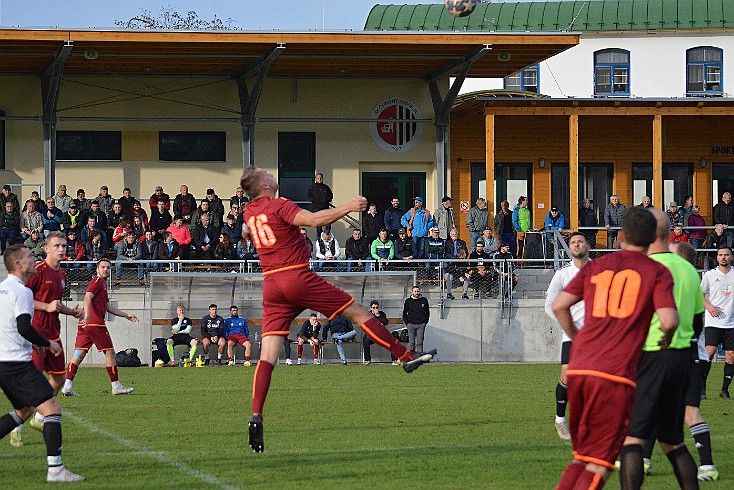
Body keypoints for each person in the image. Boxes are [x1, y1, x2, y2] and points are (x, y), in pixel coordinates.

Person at [240, 166, 434, 453]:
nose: (270, 174)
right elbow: (315, 218)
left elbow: (246, 231)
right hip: (296, 276)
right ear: (263, 184)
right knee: (360, 313)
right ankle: (405, 357)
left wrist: (250, 236)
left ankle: (257, 412)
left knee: (268, 353)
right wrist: (348, 207)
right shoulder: (279, 205)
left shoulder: (249, 212)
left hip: (271, 284)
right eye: (265, 173)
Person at [552, 206, 678, 489]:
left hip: (579, 368)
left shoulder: (596, 266)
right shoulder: (656, 271)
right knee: (602, 461)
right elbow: (669, 320)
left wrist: (577, 337)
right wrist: (665, 339)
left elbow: (560, 305)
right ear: (652, 240)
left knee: (581, 458)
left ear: (619, 237)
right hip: (614, 375)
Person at [618, 208, 701, 490]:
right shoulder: (689, 269)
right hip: (683, 359)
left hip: (650, 355)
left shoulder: (643, 268)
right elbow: (698, 320)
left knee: (631, 439)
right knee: (671, 440)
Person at [0, 245, 85, 482]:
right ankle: (56, 470)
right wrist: (48, 343)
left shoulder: (2, 289)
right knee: (53, 410)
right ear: (18, 264)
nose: (33, 258)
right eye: (29, 256)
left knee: (23, 412)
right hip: (17, 364)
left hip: (4, 362)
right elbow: (24, 327)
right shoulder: (23, 292)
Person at [642, 241, 720, 482]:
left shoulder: (677, 285)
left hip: (680, 356)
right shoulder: (688, 284)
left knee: (673, 411)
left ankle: (643, 460)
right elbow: (697, 322)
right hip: (692, 357)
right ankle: (706, 466)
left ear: (681, 259)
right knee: (683, 412)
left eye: (672, 252)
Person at [10, 231, 82, 446]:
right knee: (32, 386)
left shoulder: (61, 274)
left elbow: (55, 306)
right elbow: (22, 299)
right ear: (47, 248)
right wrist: (45, 306)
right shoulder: (38, 271)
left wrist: (72, 312)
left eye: (64, 245)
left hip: (54, 335)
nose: (62, 249)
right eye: (57, 245)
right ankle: (17, 427)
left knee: (59, 379)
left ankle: (40, 418)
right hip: (36, 336)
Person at [61, 258, 138, 397]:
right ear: (97, 269)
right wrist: (88, 315)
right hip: (94, 324)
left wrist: (126, 315)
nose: (106, 269)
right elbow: (87, 298)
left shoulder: (102, 284)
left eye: (108, 267)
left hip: (85, 326)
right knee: (110, 353)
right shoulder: (96, 282)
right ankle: (116, 386)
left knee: (79, 354)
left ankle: (67, 385)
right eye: (103, 267)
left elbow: (107, 307)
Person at [543, 232, 590, 441]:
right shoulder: (562, 275)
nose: (577, 245)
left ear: (588, 245)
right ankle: (560, 420)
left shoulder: (601, 271)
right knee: (568, 376)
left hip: (596, 336)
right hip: (572, 334)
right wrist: (568, 326)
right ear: (569, 248)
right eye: (573, 242)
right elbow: (550, 305)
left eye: (580, 241)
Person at [700, 245, 734, 401]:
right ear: (717, 257)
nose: (723, 257)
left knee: (731, 356)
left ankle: (724, 390)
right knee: (709, 353)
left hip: (731, 322)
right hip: (714, 321)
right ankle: (702, 389)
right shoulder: (710, 275)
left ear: (731, 257)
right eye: (720, 255)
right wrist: (709, 306)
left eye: (726, 255)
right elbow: (700, 294)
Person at [403, 285, 430, 354]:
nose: (417, 293)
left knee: (420, 342)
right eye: (415, 291)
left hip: (421, 324)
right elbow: (405, 312)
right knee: (412, 343)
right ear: (412, 292)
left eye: (418, 291)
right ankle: (412, 358)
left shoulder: (424, 300)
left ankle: (419, 358)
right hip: (411, 324)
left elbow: (427, 311)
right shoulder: (408, 301)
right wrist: (407, 323)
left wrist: (425, 322)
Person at [444, 228, 469, 300]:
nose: (455, 236)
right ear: (450, 235)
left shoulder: (462, 242)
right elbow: (446, 253)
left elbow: (465, 253)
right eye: (453, 234)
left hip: (460, 264)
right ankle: (449, 294)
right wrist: (453, 258)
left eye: (456, 234)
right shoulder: (447, 243)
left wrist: (460, 257)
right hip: (451, 265)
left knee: (467, 276)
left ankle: (465, 294)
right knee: (449, 276)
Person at [363, 300, 390, 365]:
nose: (375, 309)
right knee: (366, 339)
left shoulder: (382, 314)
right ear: (370, 308)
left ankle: (395, 359)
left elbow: (385, 322)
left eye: (376, 307)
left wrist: (378, 315)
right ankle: (367, 360)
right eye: (374, 308)